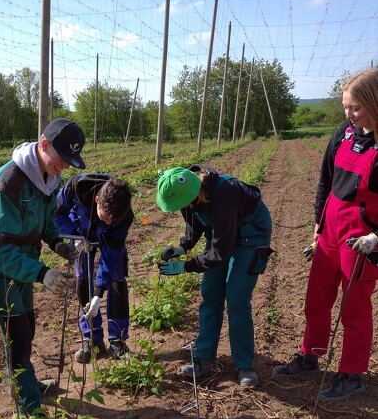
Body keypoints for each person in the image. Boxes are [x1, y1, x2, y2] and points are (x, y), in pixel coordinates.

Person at [273, 69, 378, 401]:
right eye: (346, 107)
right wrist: (318, 225)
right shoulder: (344, 133)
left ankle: (351, 374)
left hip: (361, 236)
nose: (349, 115)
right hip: (331, 226)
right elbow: (325, 180)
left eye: (356, 108)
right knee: (317, 297)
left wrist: (376, 239)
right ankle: (310, 355)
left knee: (354, 306)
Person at [0, 118, 86, 413]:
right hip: (2, 270)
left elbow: (46, 220)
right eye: (62, 159)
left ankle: (26, 384)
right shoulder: (9, 182)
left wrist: (57, 244)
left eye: (69, 162)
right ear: (44, 145)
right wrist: (42, 272)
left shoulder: (48, 176)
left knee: (29, 327)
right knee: (18, 335)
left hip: (24, 264)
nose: (63, 166)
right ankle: (29, 407)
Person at [156, 165, 273, 387]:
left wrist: (186, 267)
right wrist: (184, 246)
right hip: (222, 233)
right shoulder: (187, 192)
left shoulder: (224, 195)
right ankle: (203, 359)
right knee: (210, 294)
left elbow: (220, 252)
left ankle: (244, 364)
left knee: (237, 297)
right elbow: (195, 220)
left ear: (195, 194)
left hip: (251, 234)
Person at [55, 174, 133, 362]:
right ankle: (93, 340)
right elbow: (56, 214)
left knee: (117, 280)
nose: (108, 223)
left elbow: (111, 256)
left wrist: (99, 292)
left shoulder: (123, 216)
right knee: (83, 280)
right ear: (97, 200)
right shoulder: (75, 188)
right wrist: (74, 237)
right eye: (106, 217)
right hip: (82, 233)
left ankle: (118, 341)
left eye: (111, 221)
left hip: (108, 239)